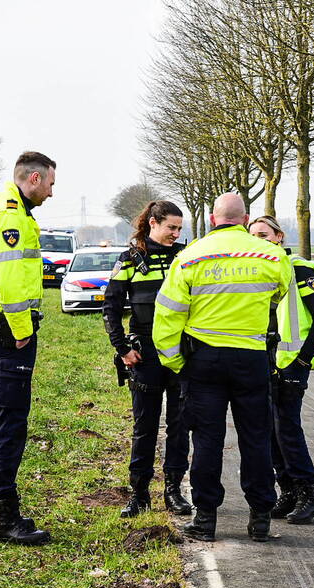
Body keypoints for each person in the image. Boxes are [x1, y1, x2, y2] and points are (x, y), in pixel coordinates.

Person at [153, 193, 293, 542]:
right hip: (251, 358)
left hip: (204, 361)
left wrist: (176, 361)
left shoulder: (188, 258)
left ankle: (206, 520)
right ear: (246, 220)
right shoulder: (272, 256)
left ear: (213, 220)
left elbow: (168, 316)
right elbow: (278, 298)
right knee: (256, 439)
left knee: (206, 441)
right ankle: (260, 518)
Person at [0, 151, 55, 546]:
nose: (52, 192)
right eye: (50, 183)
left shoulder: (1, 207)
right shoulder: (11, 215)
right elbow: (13, 280)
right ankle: (3, 513)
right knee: (10, 424)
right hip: (8, 329)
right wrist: (21, 330)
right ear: (33, 179)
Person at [102, 200, 192, 518]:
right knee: (145, 427)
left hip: (181, 354)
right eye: (171, 227)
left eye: (180, 228)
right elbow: (110, 307)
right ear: (153, 222)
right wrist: (122, 348)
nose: (176, 233)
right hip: (145, 356)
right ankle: (139, 495)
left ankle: (173, 492)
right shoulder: (129, 259)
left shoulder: (186, 257)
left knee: (180, 427)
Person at [248, 216, 314, 524]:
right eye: (253, 235)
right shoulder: (257, 272)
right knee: (271, 429)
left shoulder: (299, 268)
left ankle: (309, 496)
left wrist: (301, 361)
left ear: (279, 236)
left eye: (264, 234)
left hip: (292, 364)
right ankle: (288, 492)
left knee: (287, 429)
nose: (259, 240)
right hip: (265, 362)